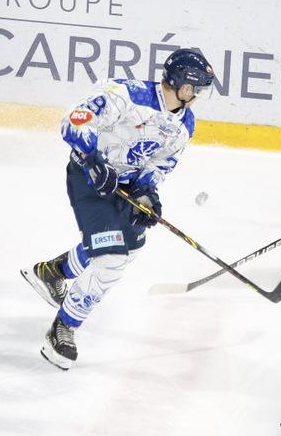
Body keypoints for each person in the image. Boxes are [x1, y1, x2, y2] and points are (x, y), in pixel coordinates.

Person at [20, 49, 215, 370]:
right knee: (111, 257)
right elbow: (73, 122)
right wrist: (94, 160)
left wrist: (147, 193)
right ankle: (63, 327)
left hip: (124, 187)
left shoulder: (185, 124)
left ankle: (53, 272)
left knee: (126, 246)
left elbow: (161, 163)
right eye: (196, 88)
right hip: (87, 177)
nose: (198, 95)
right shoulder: (126, 93)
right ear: (180, 82)